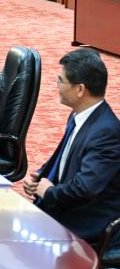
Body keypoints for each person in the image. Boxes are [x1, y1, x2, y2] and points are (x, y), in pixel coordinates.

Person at [24, 48, 120, 250]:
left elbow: (85, 188)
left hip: (86, 221)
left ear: (80, 89)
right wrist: (41, 176)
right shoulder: (79, 115)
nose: (57, 86)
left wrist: (49, 193)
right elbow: (65, 156)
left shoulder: (107, 132)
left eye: (61, 80)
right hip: (66, 206)